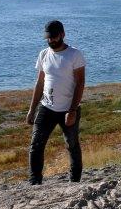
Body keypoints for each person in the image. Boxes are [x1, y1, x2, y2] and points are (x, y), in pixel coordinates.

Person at [26, 20, 86, 185]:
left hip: (69, 109)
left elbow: (80, 83)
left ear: (62, 34)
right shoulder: (44, 54)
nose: (51, 40)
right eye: (48, 38)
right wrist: (32, 109)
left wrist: (72, 111)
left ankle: (74, 182)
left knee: (71, 145)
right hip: (46, 108)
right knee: (36, 145)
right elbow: (40, 83)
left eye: (54, 37)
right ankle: (35, 182)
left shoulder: (75, 55)